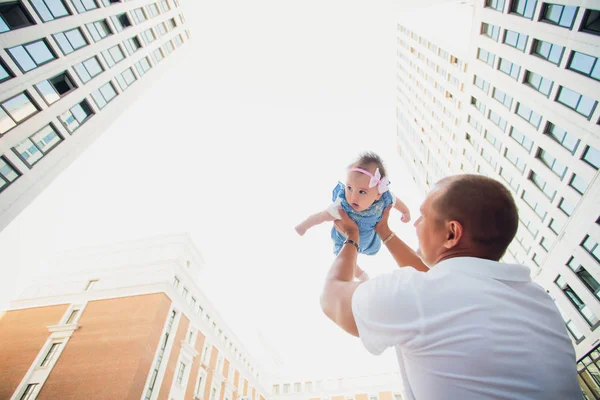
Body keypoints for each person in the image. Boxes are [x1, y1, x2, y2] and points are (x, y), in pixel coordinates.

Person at [319, 174, 581, 399]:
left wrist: (352, 238)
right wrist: (384, 231)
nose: (416, 223)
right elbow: (440, 284)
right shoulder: (537, 298)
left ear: (452, 233)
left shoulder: (420, 296)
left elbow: (332, 297)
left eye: (423, 216)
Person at [295, 152, 411, 281]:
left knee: (373, 251)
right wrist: (304, 226)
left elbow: (396, 202)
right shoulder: (342, 206)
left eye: (362, 191)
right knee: (343, 258)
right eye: (349, 188)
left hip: (370, 240)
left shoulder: (384, 200)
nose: (353, 196)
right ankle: (361, 275)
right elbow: (321, 217)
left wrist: (406, 212)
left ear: (378, 194)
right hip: (344, 240)